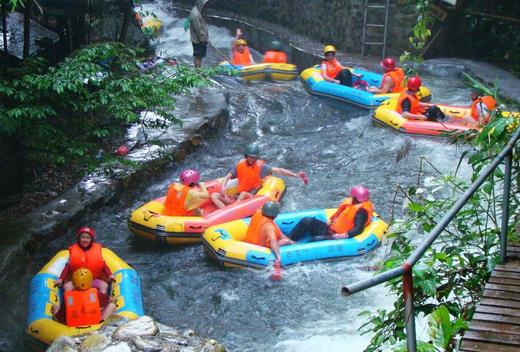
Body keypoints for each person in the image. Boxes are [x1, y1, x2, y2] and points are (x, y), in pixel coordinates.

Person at [210, 144, 308, 209]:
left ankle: (231, 210)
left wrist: (295, 175)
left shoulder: (262, 167)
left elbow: (278, 170)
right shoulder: (240, 166)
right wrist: (223, 188)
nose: (252, 159)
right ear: (246, 156)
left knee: (244, 193)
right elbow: (227, 177)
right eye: (250, 157)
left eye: (255, 157)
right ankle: (225, 212)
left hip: (250, 197)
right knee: (214, 195)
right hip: (238, 197)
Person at [288, 186, 374, 242]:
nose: (351, 196)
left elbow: (359, 228)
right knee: (306, 221)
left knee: (316, 239)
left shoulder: (361, 211)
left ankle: (298, 248)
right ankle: (288, 240)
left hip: (337, 236)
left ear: (355, 197)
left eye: (352, 195)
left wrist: (344, 235)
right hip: (330, 229)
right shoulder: (354, 203)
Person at [54, 227, 115, 294]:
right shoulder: (73, 250)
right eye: (83, 237)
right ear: (79, 238)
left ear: (91, 239)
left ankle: (101, 301)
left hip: (93, 280)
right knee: (68, 288)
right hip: (76, 280)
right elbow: (67, 267)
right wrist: (61, 279)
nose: (85, 240)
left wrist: (110, 275)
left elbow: (103, 265)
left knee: (104, 286)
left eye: (88, 238)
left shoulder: (97, 249)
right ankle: (69, 302)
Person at [52, 268, 116, 327]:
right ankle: (103, 323)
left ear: (73, 284)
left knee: (55, 308)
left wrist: (55, 311)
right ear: (90, 283)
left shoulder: (68, 298)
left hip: (73, 328)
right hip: (95, 325)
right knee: (112, 305)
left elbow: (60, 318)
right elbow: (110, 300)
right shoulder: (96, 294)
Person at [189, 0, 210, 68]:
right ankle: (197, 71)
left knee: (199, 56)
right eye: (205, 4)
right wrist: (204, 40)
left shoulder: (197, 9)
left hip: (198, 38)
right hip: (198, 40)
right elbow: (199, 30)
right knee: (198, 56)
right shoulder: (196, 15)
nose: (206, 6)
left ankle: (197, 70)